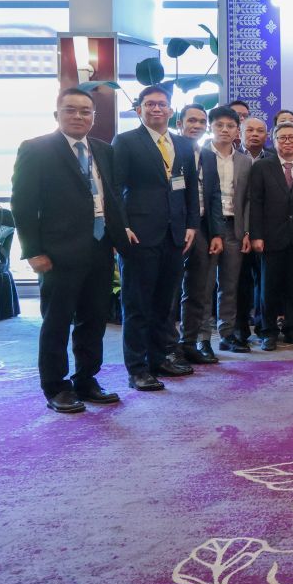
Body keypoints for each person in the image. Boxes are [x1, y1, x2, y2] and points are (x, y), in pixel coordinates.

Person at [13, 87, 129, 413]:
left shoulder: (104, 151)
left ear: (94, 116)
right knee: (57, 322)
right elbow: (23, 205)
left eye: (85, 111)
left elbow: (111, 200)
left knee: (94, 320)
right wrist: (33, 251)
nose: (78, 116)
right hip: (57, 255)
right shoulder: (36, 149)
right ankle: (56, 387)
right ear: (57, 114)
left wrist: (120, 241)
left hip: (99, 249)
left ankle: (86, 380)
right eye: (71, 110)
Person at [112, 85, 200, 391]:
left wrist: (192, 225)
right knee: (137, 304)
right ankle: (136, 368)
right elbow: (114, 188)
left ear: (171, 110)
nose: (156, 109)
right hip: (139, 235)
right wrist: (121, 226)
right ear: (139, 109)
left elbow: (189, 189)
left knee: (165, 303)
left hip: (175, 235)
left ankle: (159, 357)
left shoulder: (183, 145)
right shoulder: (125, 142)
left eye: (162, 104)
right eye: (150, 104)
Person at [248, 122, 293, 349]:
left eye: (292, 137)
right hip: (270, 238)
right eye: (282, 138)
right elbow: (256, 204)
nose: (288, 141)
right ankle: (267, 331)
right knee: (269, 287)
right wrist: (256, 235)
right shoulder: (262, 167)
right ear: (274, 140)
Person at [177, 104, 225, 365]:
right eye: (191, 121)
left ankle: (189, 342)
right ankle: (167, 346)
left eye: (201, 122)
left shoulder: (207, 155)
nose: (196, 126)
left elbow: (215, 194)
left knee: (198, 289)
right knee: (170, 290)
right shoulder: (170, 149)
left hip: (203, 228)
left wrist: (217, 232)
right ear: (180, 123)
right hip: (173, 229)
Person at [203, 106, 253, 354]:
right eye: (219, 125)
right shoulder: (199, 155)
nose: (225, 130)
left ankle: (227, 334)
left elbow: (247, 200)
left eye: (230, 126)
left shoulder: (245, 161)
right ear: (210, 127)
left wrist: (246, 232)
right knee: (203, 284)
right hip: (207, 228)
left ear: (237, 130)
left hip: (234, 227)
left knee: (229, 285)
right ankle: (200, 339)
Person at [235, 115, 271, 344]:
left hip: (267, 230)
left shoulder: (274, 159)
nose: (255, 134)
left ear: (267, 135)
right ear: (241, 133)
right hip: (237, 229)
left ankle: (263, 326)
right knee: (240, 282)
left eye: (260, 131)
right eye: (250, 130)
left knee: (264, 282)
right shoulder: (232, 157)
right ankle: (239, 329)